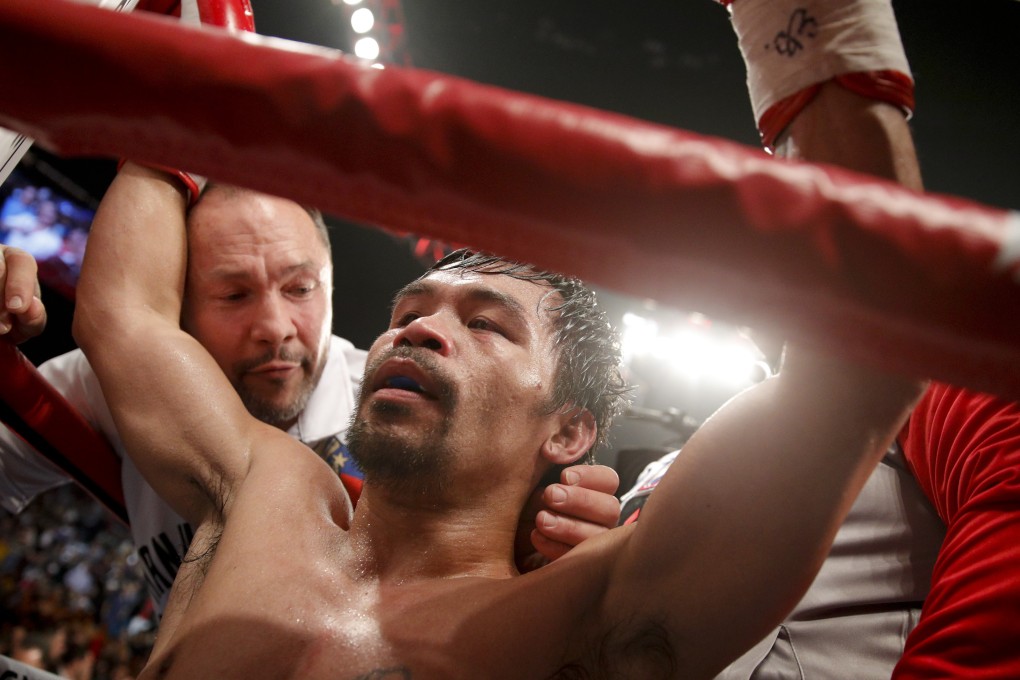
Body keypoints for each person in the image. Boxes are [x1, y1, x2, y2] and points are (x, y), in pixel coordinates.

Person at [68, 152, 922, 677]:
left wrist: (805, 40)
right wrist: (180, 81)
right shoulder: (263, 486)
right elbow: (123, 317)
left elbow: (857, 371)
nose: (422, 331)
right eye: (409, 311)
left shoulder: (587, 610)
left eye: (485, 325)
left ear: (568, 429)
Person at [619, 1, 1020, 677]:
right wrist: (585, 546)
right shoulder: (672, 462)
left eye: (782, 220)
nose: (749, 254)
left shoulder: (921, 381)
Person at [0, 184, 621, 617]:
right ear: (180, 309)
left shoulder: (422, 410)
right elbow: (120, 319)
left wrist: (551, 548)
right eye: (234, 295)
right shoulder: (123, 380)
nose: (275, 325)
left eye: (300, 288)